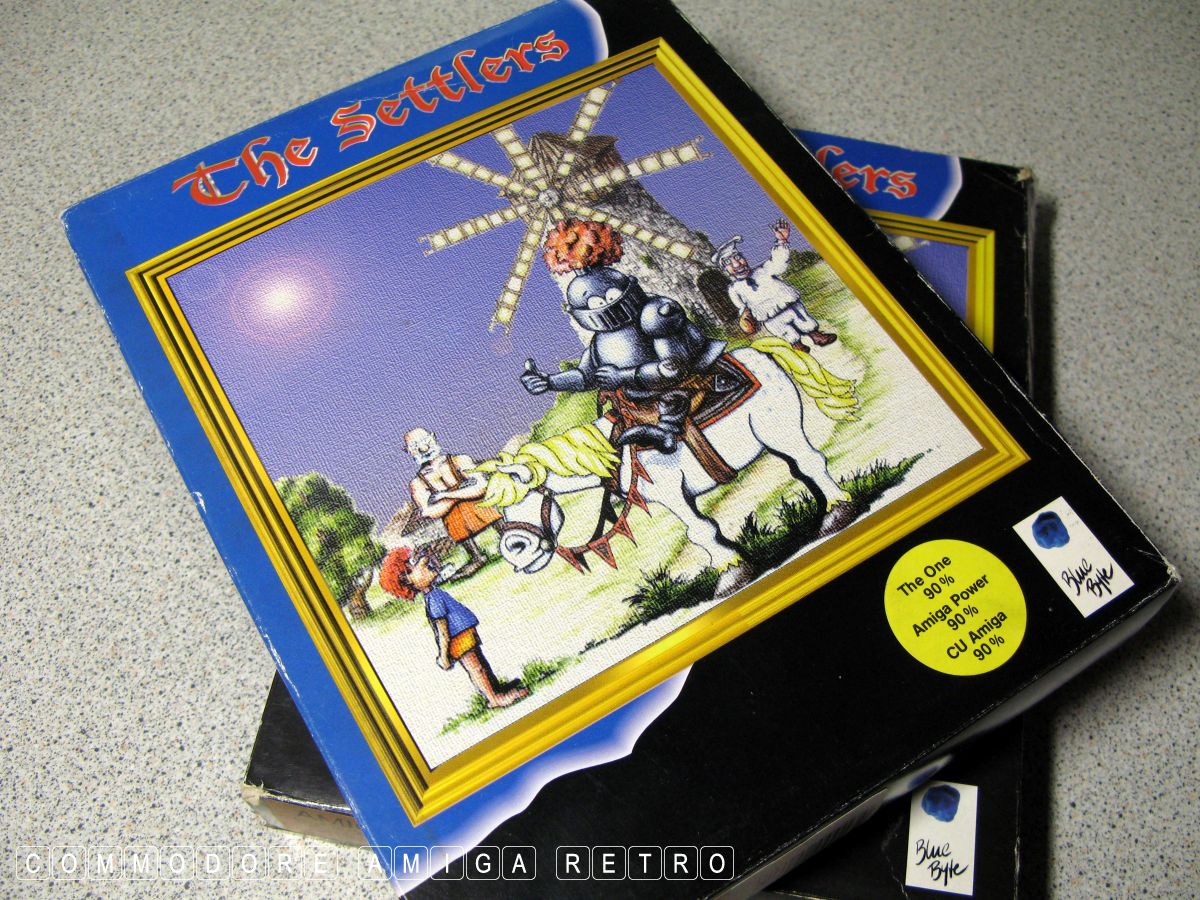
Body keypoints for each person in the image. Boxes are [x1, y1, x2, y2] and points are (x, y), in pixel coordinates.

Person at [379, 546, 528, 709]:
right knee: (476, 668)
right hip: (458, 638)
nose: (422, 563)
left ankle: (497, 689)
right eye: (413, 565)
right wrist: (444, 655)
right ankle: (494, 699)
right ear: (408, 580)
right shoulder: (433, 600)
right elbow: (442, 631)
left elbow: (431, 563)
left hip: (465, 633)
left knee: (481, 663)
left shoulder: (435, 593)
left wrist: (427, 558)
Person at [714, 219, 837, 353]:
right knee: (783, 331)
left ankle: (816, 335)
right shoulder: (734, 290)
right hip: (769, 316)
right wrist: (746, 317)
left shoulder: (763, 271)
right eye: (728, 262)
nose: (737, 264)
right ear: (725, 270)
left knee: (803, 319)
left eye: (738, 257)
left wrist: (782, 241)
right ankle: (796, 345)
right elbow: (742, 306)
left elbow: (779, 262)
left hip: (788, 304)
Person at [406, 427, 498, 578]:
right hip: (455, 521)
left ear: (433, 437)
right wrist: (457, 497)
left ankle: (508, 533)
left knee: (482, 505)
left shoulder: (459, 460)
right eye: (415, 446)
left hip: (480, 508)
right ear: (409, 451)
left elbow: (481, 486)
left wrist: (446, 495)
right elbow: (429, 512)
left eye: (424, 441)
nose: (423, 448)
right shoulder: (417, 483)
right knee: (455, 517)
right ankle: (476, 556)